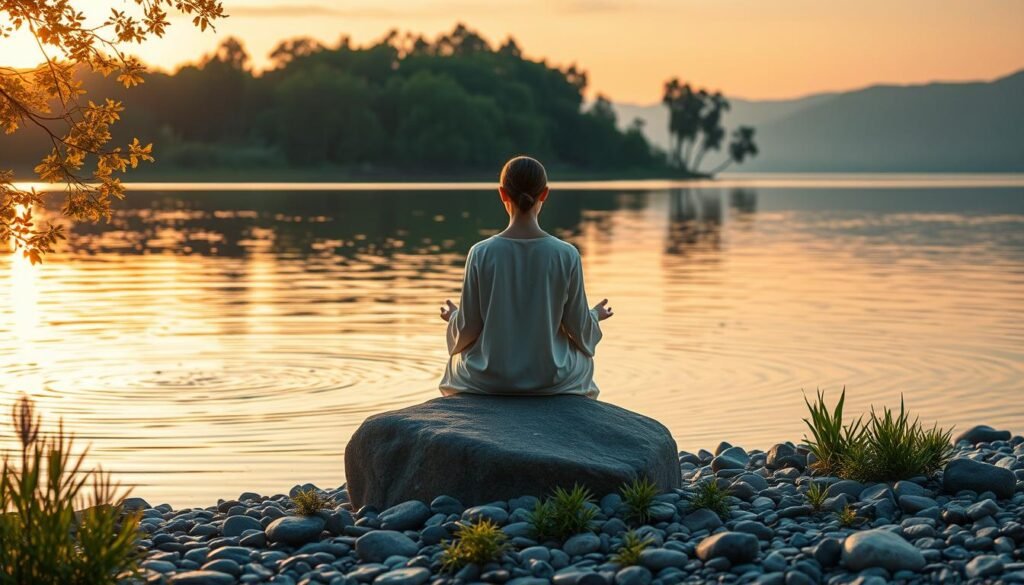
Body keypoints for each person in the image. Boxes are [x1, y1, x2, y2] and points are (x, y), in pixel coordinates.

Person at [438, 155, 613, 398]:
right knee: (584, 358)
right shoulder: (566, 254)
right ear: (545, 194)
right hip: (549, 379)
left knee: (456, 359)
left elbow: (467, 330)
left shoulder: (481, 253)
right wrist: (594, 315)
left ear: (502, 193)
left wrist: (454, 317)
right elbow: (580, 333)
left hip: (489, 379)